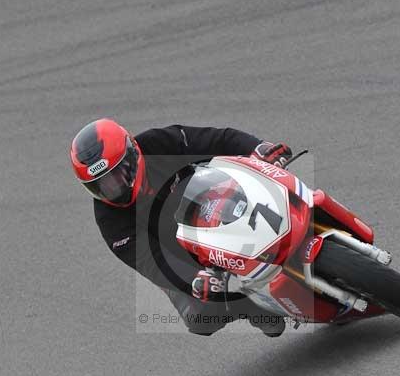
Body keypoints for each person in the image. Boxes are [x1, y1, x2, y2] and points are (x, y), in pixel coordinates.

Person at [69, 118, 292, 336]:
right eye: (101, 185)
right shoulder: (110, 221)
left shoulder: (158, 143)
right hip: (177, 252)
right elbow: (151, 261)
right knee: (200, 318)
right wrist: (193, 278)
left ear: (132, 154)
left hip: (212, 202)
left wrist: (257, 148)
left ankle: (299, 211)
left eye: (118, 175)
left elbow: (215, 140)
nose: (114, 188)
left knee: (264, 189)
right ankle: (251, 308)